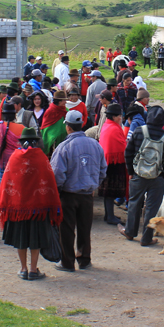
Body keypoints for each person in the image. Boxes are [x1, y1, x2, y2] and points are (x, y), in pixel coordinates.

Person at [0, 127, 62, 280]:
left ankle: (23, 268)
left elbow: (7, 181)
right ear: (37, 141)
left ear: (21, 141)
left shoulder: (14, 157)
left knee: (21, 239)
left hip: (17, 208)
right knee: (35, 239)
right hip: (38, 208)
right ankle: (33, 269)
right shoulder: (41, 157)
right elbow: (49, 181)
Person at [50, 110, 107, 272]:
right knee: (84, 228)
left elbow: (57, 174)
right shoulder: (95, 145)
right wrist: (93, 184)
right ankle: (84, 259)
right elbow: (103, 170)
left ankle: (67, 262)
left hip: (68, 194)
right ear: (82, 124)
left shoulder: (64, 147)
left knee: (66, 229)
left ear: (68, 127)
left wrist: (58, 191)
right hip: (87, 195)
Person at [119, 106, 164, 246]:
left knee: (134, 203)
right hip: (157, 177)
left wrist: (131, 172)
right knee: (152, 208)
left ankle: (130, 232)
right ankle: (146, 238)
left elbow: (128, 152)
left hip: (138, 174)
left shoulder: (139, 131)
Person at [97, 103, 128, 225]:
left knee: (108, 192)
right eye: (119, 115)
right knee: (109, 191)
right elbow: (121, 146)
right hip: (113, 164)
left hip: (108, 163)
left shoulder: (107, 125)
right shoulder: (114, 128)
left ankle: (109, 215)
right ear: (114, 116)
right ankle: (110, 216)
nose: (121, 117)